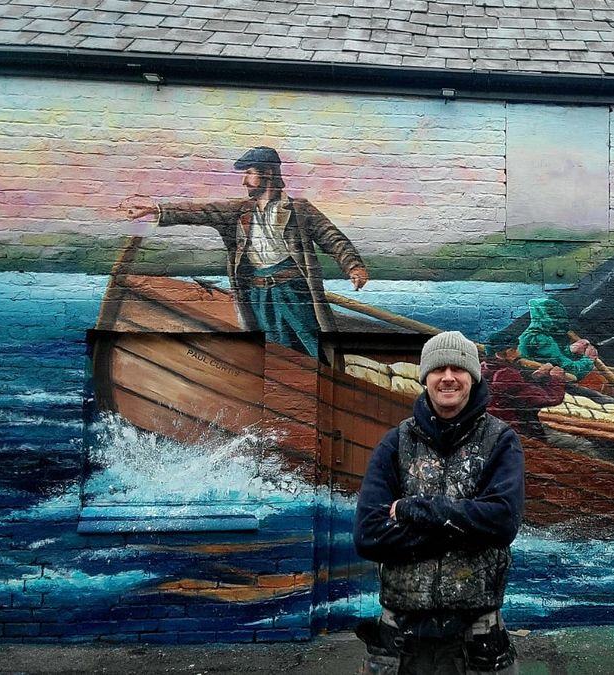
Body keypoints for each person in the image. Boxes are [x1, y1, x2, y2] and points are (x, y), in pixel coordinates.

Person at [354, 331, 523, 674]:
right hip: (400, 641)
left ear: (472, 377)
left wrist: (415, 510)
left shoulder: (501, 441)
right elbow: (369, 535)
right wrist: (467, 529)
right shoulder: (396, 443)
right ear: (425, 378)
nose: (448, 377)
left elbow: (503, 522)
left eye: (457, 369)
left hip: (479, 640)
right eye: (438, 369)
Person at [125, 146, 369, 361]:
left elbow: (332, 237)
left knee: (312, 345)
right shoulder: (239, 211)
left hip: (294, 291)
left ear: (268, 173)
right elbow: (200, 211)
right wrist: (157, 210)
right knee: (276, 352)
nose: (244, 181)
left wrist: (353, 267)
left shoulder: (299, 209)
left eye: (249, 173)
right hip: (258, 294)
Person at [481, 344, 567, 440]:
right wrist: (557, 379)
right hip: (516, 433)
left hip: (494, 427)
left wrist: (535, 377)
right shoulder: (507, 374)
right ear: (509, 352)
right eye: (516, 349)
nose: (519, 353)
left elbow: (519, 390)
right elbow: (550, 398)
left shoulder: (485, 367)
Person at [517, 297, 603, 388]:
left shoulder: (531, 335)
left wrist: (571, 351)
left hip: (537, 381)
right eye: (557, 318)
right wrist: (588, 359)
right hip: (544, 385)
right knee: (602, 399)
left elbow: (552, 358)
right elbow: (571, 370)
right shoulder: (542, 340)